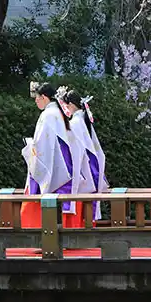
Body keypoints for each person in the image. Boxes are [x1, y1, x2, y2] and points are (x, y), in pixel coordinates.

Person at [21, 82, 79, 229]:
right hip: (62, 163)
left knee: (40, 197)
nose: (36, 100)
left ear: (44, 97)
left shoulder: (47, 115)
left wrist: (29, 148)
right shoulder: (59, 112)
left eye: (38, 97)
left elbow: (41, 144)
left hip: (49, 163)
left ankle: (40, 235)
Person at [60, 89, 108, 222]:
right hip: (89, 169)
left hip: (82, 171)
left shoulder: (74, 123)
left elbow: (73, 151)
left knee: (77, 211)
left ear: (69, 105)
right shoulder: (81, 120)